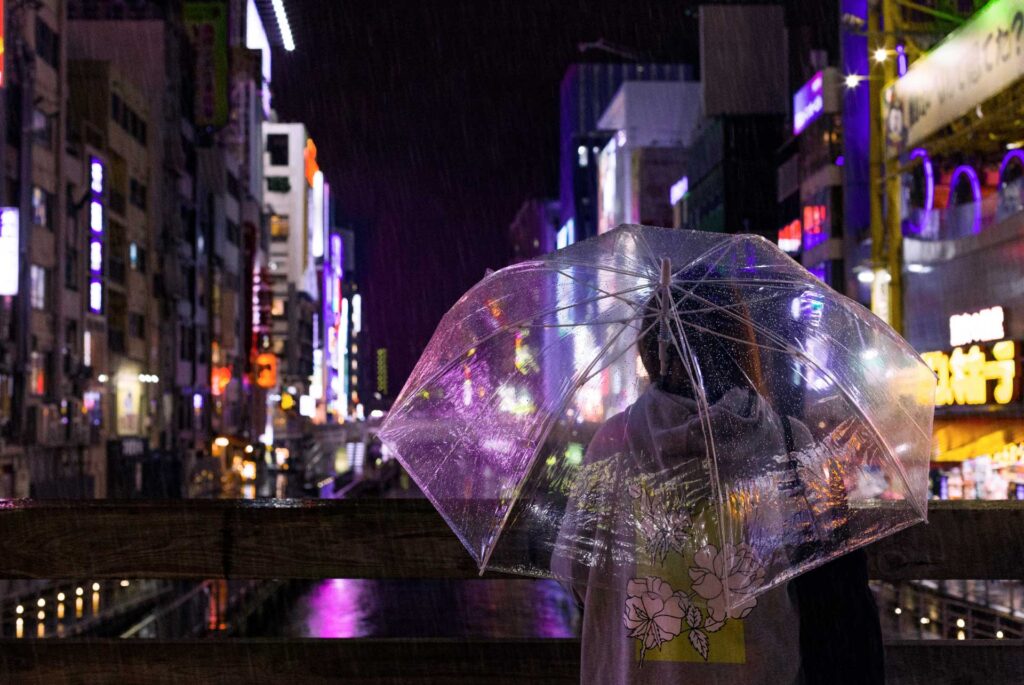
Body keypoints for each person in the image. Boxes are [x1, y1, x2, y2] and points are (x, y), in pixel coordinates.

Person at [553, 287, 884, 684]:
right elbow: (832, 588)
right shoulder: (789, 442)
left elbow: (573, 574)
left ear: (653, 350)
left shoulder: (612, 444)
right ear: (742, 348)